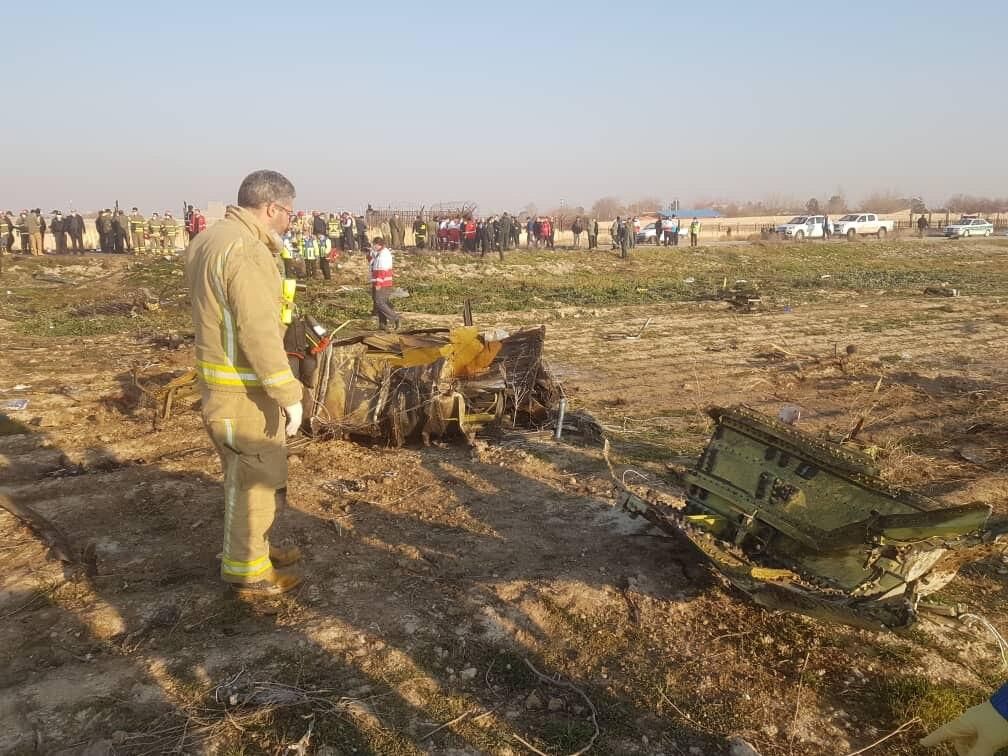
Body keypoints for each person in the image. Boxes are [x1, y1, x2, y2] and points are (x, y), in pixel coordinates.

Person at [184, 169, 305, 595]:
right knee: (255, 477)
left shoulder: (210, 239)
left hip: (221, 385)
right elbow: (258, 331)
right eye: (290, 213)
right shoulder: (247, 251)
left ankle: (255, 547)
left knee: (244, 475)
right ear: (272, 208)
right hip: (244, 391)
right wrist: (288, 392)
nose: (291, 222)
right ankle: (249, 570)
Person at [921, 683, 1008, 755]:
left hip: (988, 712)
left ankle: (923, 743)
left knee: (955, 736)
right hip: (998, 724)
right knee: (975, 746)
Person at [368, 236, 399, 330]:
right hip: (379, 281)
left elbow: (382, 270)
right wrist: (369, 257)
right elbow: (373, 264)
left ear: (378, 245)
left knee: (379, 302)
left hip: (382, 283)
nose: (373, 246)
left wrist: (379, 283)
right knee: (380, 303)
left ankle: (395, 318)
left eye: (374, 244)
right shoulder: (379, 253)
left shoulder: (383, 255)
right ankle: (382, 325)